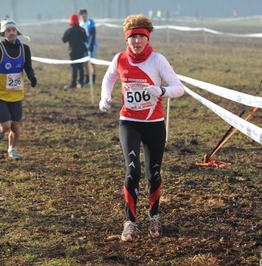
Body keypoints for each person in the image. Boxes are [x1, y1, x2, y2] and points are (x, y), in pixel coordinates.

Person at [99, 14, 184, 241]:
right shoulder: (119, 59)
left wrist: (162, 91)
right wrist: (105, 97)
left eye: (141, 37)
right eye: (132, 37)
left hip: (154, 125)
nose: (136, 42)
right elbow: (108, 80)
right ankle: (129, 222)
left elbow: (179, 88)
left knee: (153, 173)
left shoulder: (158, 60)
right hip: (129, 122)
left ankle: (154, 215)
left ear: (147, 39)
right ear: (126, 40)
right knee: (133, 170)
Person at [0, 18, 37, 160]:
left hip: (16, 93)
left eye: (13, 30)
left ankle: (12, 150)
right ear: (3, 34)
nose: (11, 33)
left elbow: (28, 67)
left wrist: (32, 77)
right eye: (8, 30)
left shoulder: (25, 49)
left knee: (16, 126)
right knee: (5, 126)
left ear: (17, 32)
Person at [62, 14, 87, 89]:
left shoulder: (69, 30)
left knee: (74, 67)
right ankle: (81, 82)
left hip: (72, 51)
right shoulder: (82, 30)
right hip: (81, 51)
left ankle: (73, 83)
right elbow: (85, 39)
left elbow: (64, 40)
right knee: (80, 67)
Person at [78, 9, 97, 86]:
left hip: (92, 44)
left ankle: (93, 80)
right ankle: (87, 80)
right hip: (84, 46)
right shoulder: (80, 24)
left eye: (84, 13)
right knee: (85, 63)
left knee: (92, 62)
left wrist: (91, 45)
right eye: (82, 14)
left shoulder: (90, 22)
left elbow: (93, 34)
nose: (83, 15)